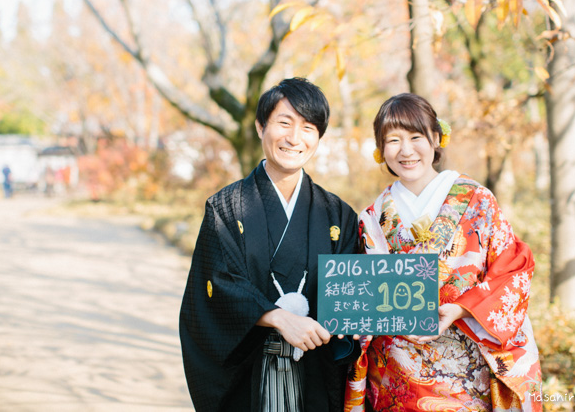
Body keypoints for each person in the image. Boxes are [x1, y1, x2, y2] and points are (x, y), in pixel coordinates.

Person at [344, 93, 542, 411]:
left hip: (466, 373)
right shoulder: (372, 217)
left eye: (416, 136)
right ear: (381, 150)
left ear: (436, 138)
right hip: (395, 377)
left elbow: (512, 269)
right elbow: (362, 295)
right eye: (392, 140)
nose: (405, 150)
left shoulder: (477, 200)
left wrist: (461, 310)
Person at [180, 77, 359, 412]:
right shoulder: (226, 207)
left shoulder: (338, 214)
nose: (294, 138)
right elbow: (216, 285)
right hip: (249, 374)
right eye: (284, 123)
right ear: (261, 126)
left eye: (308, 128)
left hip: (315, 373)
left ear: (319, 137)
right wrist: (276, 317)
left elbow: (352, 295)